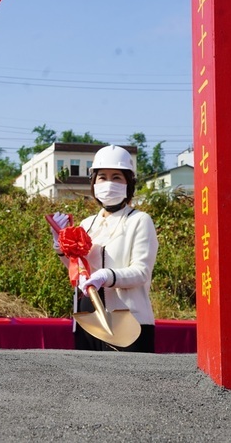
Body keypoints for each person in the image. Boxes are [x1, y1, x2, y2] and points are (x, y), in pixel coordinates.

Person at [50, 144, 159, 352]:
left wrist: (106, 276)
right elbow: (77, 270)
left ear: (129, 183)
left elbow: (141, 272)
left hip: (128, 321)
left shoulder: (139, 221)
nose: (108, 183)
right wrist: (61, 244)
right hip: (88, 318)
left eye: (116, 177)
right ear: (93, 183)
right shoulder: (87, 223)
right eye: (102, 177)